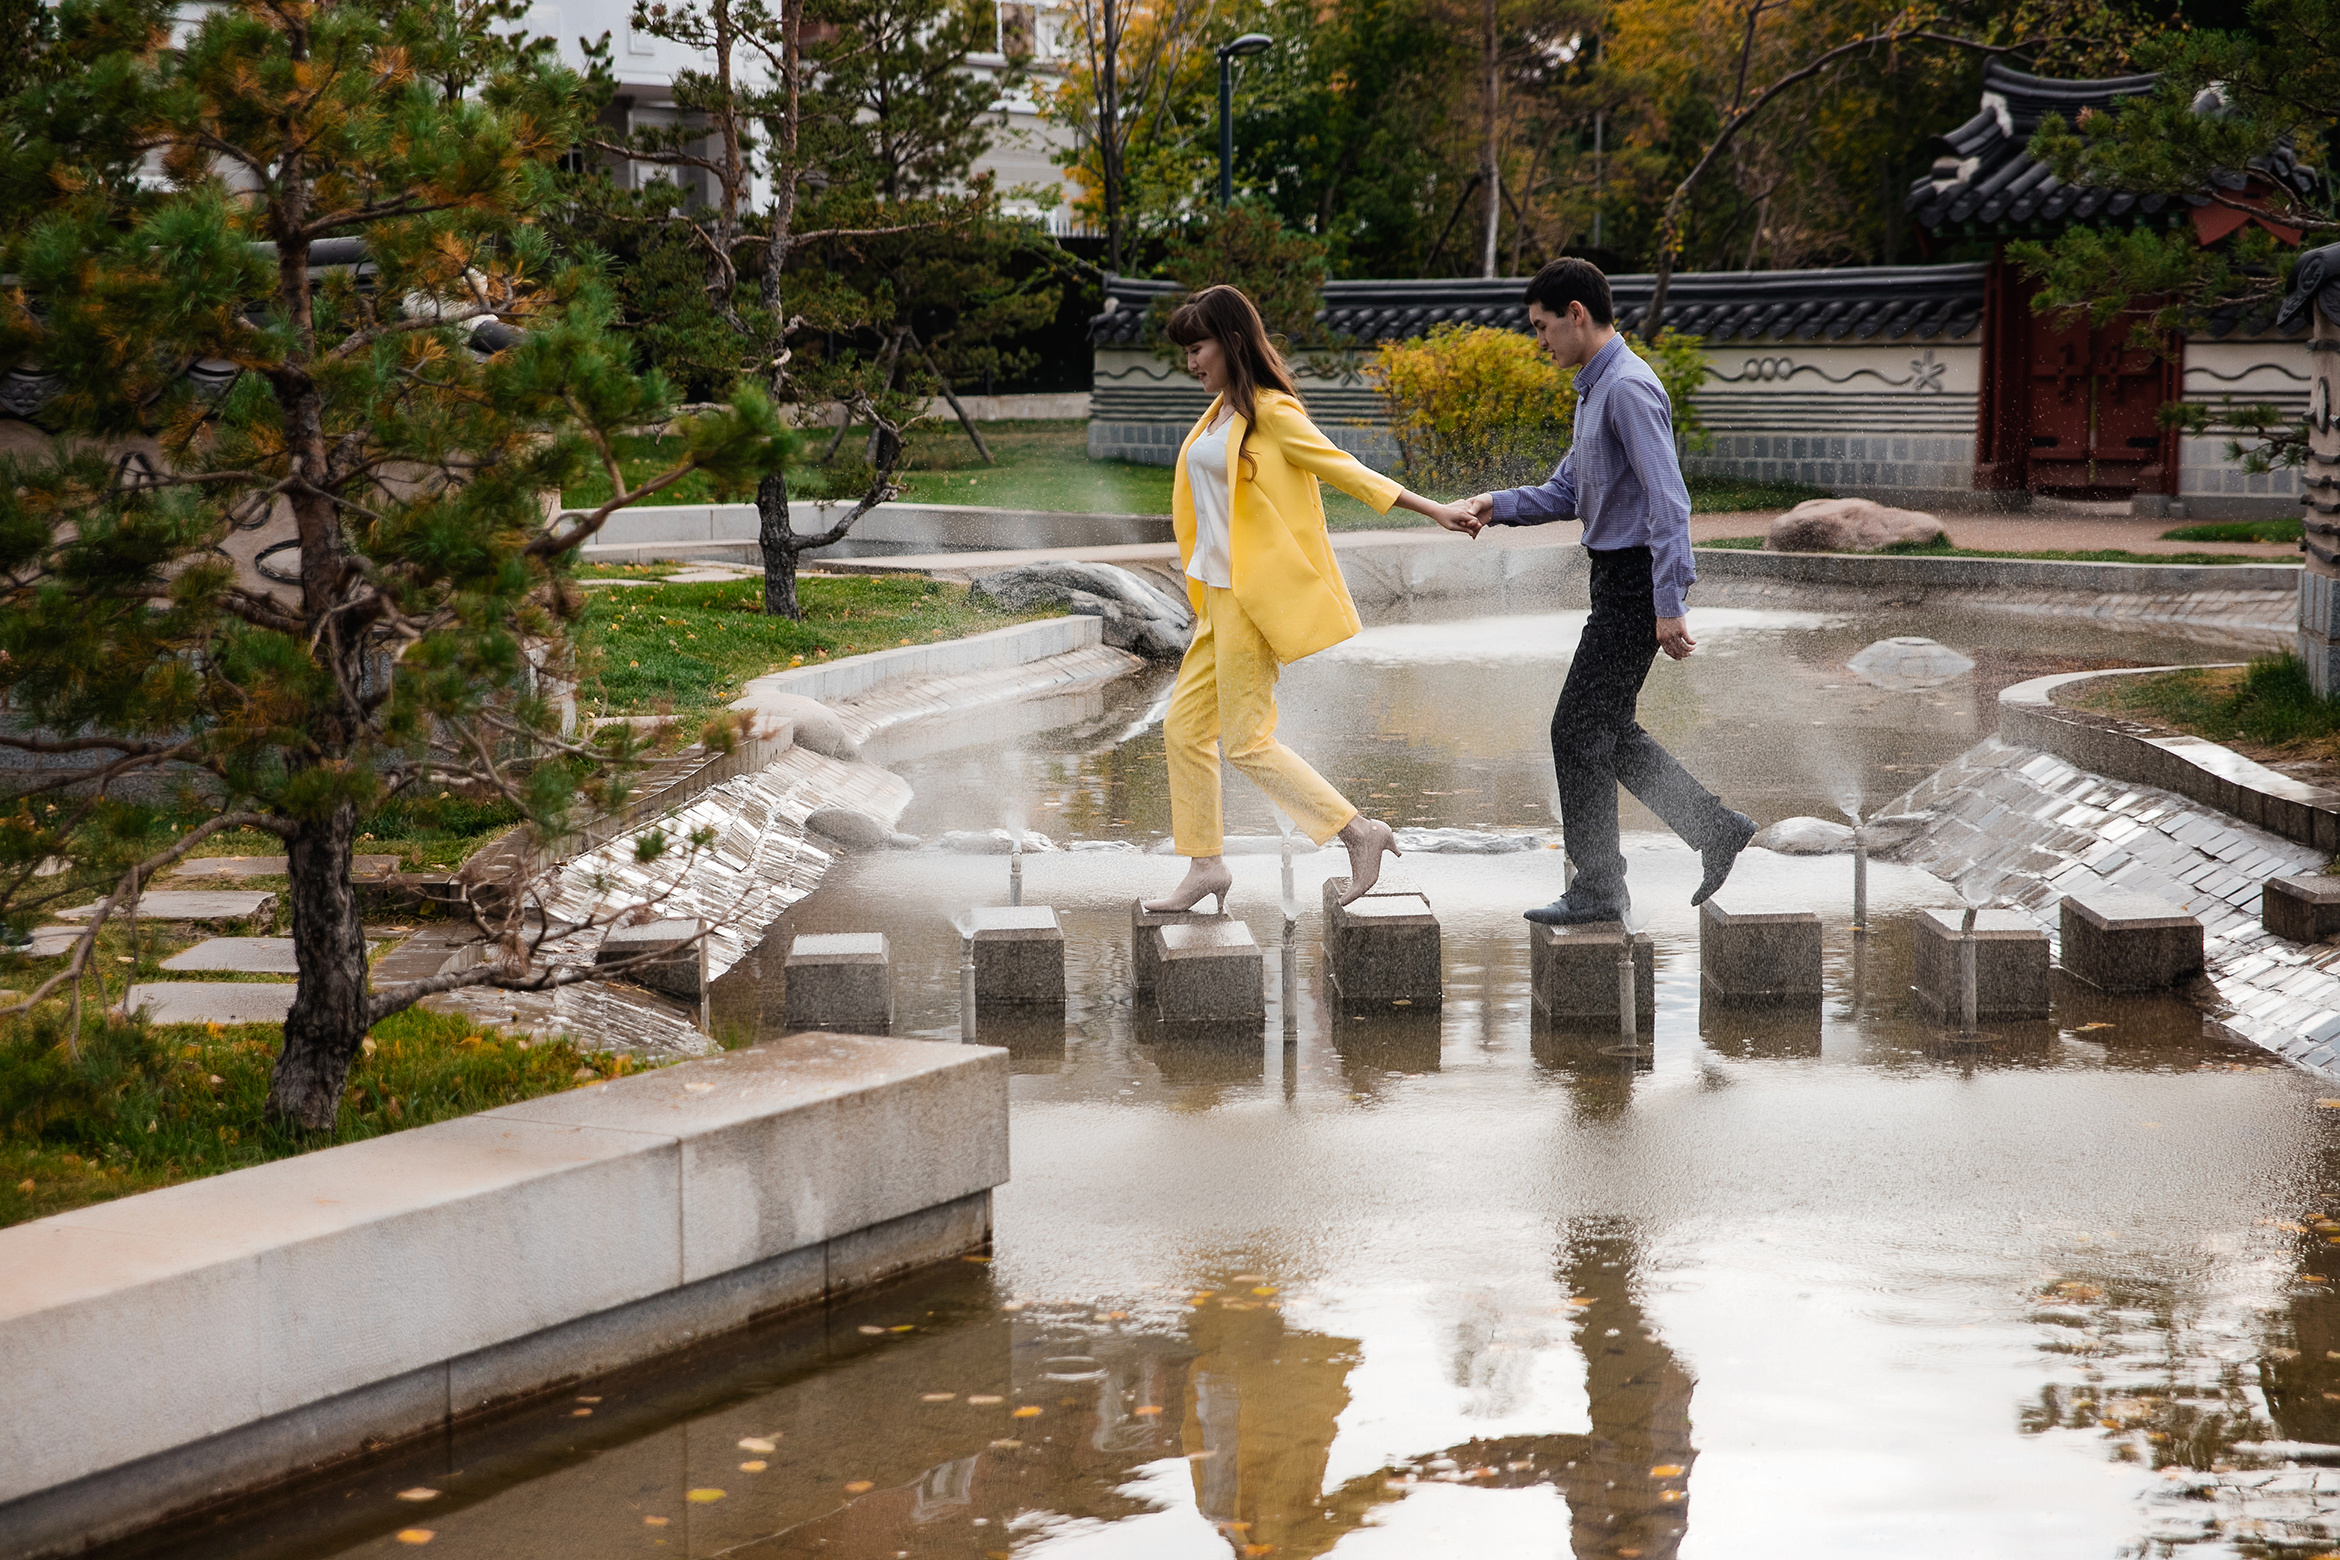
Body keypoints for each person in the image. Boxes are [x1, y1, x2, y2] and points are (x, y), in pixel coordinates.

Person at [1146, 284, 1480, 914]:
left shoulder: (1271, 412)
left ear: (1233, 342)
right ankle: (1206, 865)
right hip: (1216, 597)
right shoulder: (1218, 413)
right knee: (1183, 729)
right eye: (1186, 351)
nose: (1191, 362)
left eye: (1198, 347)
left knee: (1245, 740)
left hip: (1251, 599)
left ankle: (1357, 832)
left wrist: (1434, 509)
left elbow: (1343, 467)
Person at [1463, 258, 1755, 926]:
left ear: (1576, 314)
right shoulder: (1596, 390)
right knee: (1605, 731)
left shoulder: (1627, 388)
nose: (1540, 342)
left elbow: (1669, 500)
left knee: (1575, 730)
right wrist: (1496, 503)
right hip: (1615, 578)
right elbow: (1569, 490)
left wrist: (1668, 600)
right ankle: (1714, 829)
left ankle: (1599, 886)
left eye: (1542, 328)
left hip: (1633, 581)